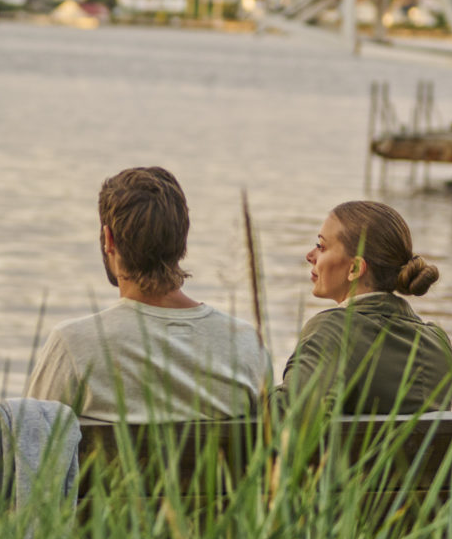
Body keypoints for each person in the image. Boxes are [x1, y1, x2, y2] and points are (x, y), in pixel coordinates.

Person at [23, 166, 268, 422]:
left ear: (109, 240)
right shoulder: (247, 344)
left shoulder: (73, 345)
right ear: (183, 237)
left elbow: (32, 442)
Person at [278, 200, 452, 416]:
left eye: (321, 247)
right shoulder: (437, 343)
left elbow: (287, 414)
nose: (310, 256)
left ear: (354, 268)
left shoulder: (333, 328)